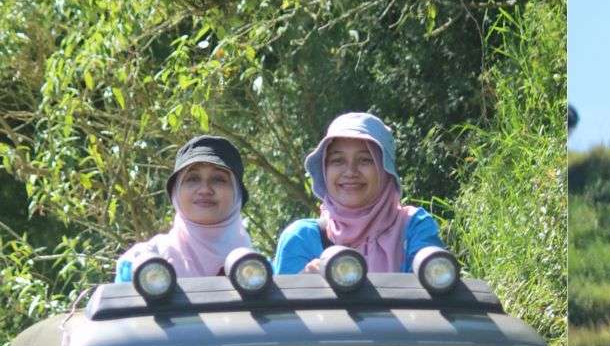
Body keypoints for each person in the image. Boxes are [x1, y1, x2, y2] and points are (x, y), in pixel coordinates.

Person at [273, 112, 446, 275]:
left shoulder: (414, 227)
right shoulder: (301, 238)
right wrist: (305, 284)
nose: (350, 172)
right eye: (338, 160)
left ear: (385, 169)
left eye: (365, 160)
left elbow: (432, 288)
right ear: (325, 170)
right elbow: (284, 298)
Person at [115, 135, 252, 281]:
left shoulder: (257, 268)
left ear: (237, 193)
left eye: (218, 179)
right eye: (192, 179)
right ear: (175, 191)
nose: (204, 190)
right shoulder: (139, 265)